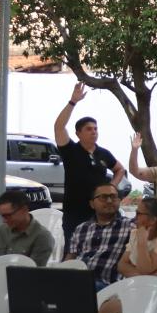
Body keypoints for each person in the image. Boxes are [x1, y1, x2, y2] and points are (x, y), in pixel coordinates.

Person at [52, 83, 126, 251]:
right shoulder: (70, 150)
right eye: (88, 129)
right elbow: (58, 127)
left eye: (95, 129)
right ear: (78, 133)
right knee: (73, 250)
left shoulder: (103, 153)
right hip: (74, 211)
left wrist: (112, 185)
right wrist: (72, 102)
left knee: (100, 249)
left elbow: (120, 169)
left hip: (100, 211)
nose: (94, 132)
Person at [0, 190, 56, 293]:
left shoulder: (42, 237)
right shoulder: (0, 231)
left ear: (24, 210)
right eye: (2, 215)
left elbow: (32, 277)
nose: (4, 220)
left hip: (18, 291)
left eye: (8, 215)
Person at [64, 182, 132, 288]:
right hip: (78, 279)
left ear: (119, 200)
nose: (109, 201)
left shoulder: (129, 226)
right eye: (103, 197)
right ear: (92, 204)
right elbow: (70, 258)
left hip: (108, 286)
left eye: (113, 197)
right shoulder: (81, 228)